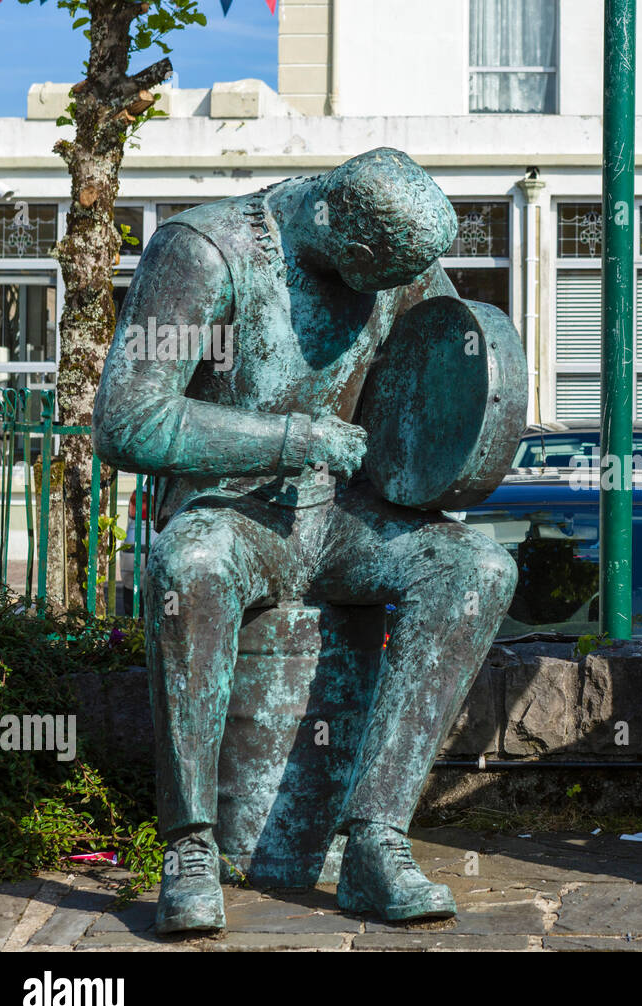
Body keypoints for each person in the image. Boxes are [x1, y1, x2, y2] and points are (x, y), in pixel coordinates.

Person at [92, 147, 517, 934]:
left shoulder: (398, 262)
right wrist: (289, 438)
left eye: (407, 276)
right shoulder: (203, 250)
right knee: (189, 562)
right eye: (379, 274)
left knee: (477, 567)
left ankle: (375, 839)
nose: (395, 291)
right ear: (333, 221)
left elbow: (441, 370)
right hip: (235, 513)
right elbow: (127, 418)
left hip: (343, 519)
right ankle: (188, 841)